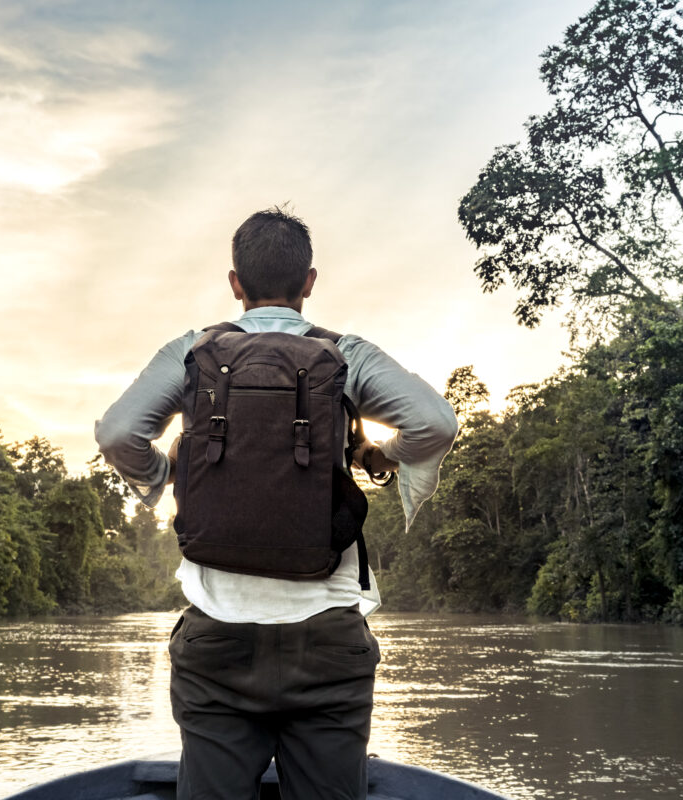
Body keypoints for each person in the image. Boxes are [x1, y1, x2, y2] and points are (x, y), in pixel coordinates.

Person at [95, 207, 458, 800]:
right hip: (329, 640)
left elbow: (117, 435)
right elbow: (436, 424)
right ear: (308, 283)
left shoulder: (193, 352)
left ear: (235, 283)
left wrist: (169, 476)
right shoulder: (346, 354)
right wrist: (379, 456)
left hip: (217, 641)